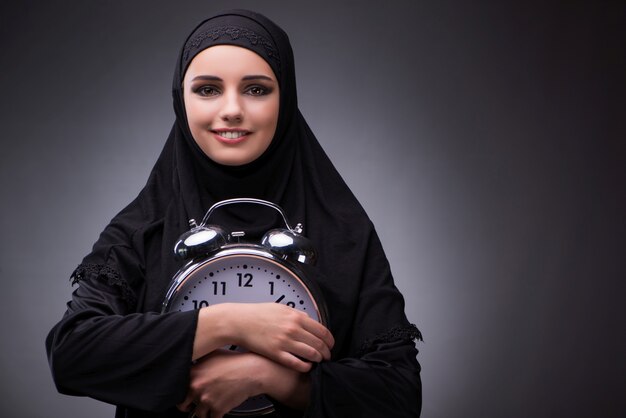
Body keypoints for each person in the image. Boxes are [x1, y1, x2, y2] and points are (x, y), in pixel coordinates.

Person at [46, 9, 422, 418]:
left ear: (286, 97)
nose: (231, 110)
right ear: (180, 98)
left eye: (257, 90)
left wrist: (270, 378)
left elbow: (399, 396)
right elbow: (71, 354)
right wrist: (231, 325)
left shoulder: (344, 230)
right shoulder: (143, 228)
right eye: (207, 89)